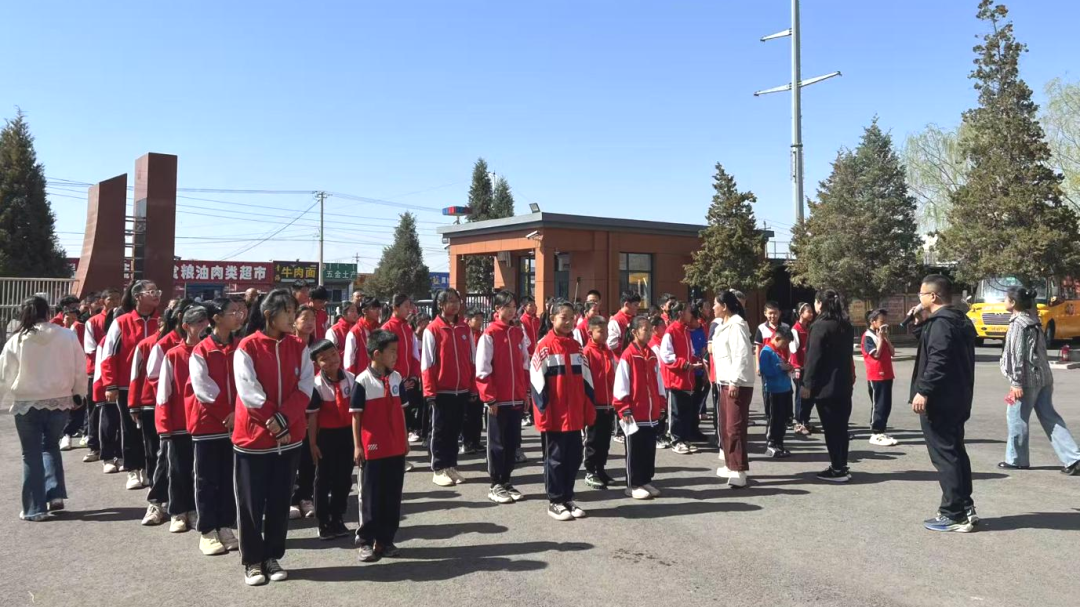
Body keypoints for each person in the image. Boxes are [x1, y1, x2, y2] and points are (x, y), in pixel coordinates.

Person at [233, 288, 314, 586]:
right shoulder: (248, 346)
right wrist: (272, 419)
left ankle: (272, 555)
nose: (293, 318)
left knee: (280, 501)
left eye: (294, 312)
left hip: (289, 437)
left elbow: (306, 386)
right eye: (288, 313)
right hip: (254, 439)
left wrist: (284, 419)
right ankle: (252, 561)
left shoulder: (299, 347)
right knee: (251, 503)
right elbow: (248, 391)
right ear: (269, 315)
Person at [0, 296, 87, 521]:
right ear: (48, 312)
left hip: (27, 402)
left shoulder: (18, 339)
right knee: (50, 447)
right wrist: (79, 392)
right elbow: (79, 367)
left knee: (30, 454)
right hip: (60, 399)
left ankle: (34, 508)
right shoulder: (67, 335)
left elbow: (5, 374)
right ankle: (55, 493)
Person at [909, 274, 978, 532]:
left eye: (921, 294)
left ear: (933, 296)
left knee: (945, 455)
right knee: (955, 451)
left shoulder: (941, 324)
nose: (919, 298)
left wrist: (923, 390)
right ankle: (964, 505)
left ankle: (953, 513)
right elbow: (933, 346)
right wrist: (919, 322)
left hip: (939, 399)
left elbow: (938, 359)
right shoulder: (958, 320)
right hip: (958, 397)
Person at [998, 286, 1080, 474]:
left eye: (1005, 298)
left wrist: (1016, 382)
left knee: (1016, 418)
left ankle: (1017, 459)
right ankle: (1074, 457)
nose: (1004, 301)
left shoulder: (1018, 324)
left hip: (1026, 380)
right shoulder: (1033, 320)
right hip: (1043, 377)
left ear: (1012, 303)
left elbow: (1017, 355)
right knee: (1050, 417)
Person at [531, 300, 596, 521]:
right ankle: (555, 500)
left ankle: (568, 497)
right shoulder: (544, 347)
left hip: (575, 415)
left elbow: (587, 383)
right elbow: (537, 384)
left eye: (572, 317)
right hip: (555, 416)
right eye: (563, 317)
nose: (568, 322)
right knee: (555, 459)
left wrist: (588, 410)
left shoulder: (577, 347)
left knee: (573, 457)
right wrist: (543, 414)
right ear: (552, 319)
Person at [188, 299, 242, 554]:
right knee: (206, 479)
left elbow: (248, 381)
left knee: (229, 478)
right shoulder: (201, 350)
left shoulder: (241, 347)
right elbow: (203, 389)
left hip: (237, 424)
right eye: (232, 312)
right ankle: (207, 531)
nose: (238, 316)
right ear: (216, 318)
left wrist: (238, 413)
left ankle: (225, 526)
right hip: (208, 424)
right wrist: (227, 413)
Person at [351, 329, 408, 562]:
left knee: (392, 496)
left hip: (395, 448)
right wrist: (357, 446)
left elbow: (402, 413)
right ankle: (365, 540)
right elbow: (356, 416)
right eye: (392, 352)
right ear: (377, 353)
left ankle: (386, 540)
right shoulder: (362, 381)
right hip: (373, 449)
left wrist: (404, 439)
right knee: (370, 497)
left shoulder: (396, 379)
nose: (396, 356)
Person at [133, 299, 190, 522]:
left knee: (186, 464)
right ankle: (156, 502)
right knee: (166, 460)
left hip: (194, 415)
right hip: (171, 412)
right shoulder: (164, 345)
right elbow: (154, 378)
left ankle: (185, 506)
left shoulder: (203, 344)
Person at [100, 280, 162, 482]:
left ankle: (151, 470)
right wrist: (110, 384)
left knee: (153, 431)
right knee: (130, 428)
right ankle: (133, 470)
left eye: (157, 291)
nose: (156, 295)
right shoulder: (122, 322)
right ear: (138, 297)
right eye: (151, 291)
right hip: (127, 385)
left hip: (155, 386)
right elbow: (108, 354)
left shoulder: (161, 322)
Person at [157, 305, 210, 534]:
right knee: (178, 470)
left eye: (205, 323)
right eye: (198, 323)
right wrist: (164, 425)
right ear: (186, 326)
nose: (203, 327)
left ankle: (194, 509)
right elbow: (163, 392)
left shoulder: (210, 352)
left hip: (205, 424)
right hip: (179, 424)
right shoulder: (173, 355)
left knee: (201, 472)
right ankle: (178, 512)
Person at [476, 291, 530, 505]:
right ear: (497, 310)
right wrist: (490, 398)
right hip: (498, 401)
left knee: (511, 443)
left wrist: (525, 392)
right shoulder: (489, 334)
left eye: (513, 306)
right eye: (506, 306)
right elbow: (482, 370)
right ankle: (495, 483)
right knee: (496, 444)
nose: (511, 310)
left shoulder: (517, 333)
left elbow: (525, 365)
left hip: (516, 399)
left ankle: (507, 481)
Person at [421, 288, 475, 487]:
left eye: (457, 301)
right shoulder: (432, 330)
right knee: (440, 430)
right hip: (441, 390)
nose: (454, 304)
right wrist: (429, 391)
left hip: (460, 389)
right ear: (441, 305)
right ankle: (438, 468)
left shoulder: (464, 328)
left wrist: (472, 387)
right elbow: (427, 363)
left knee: (455, 430)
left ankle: (451, 465)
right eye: (450, 301)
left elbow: (472, 359)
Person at [801, 290, 855, 483]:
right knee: (841, 427)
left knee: (832, 429)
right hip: (844, 383)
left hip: (826, 386)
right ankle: (841, 464)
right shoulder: (845, 325)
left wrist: (807, 384)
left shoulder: (820, 326)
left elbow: (813, 358)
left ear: (820, 304)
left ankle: (838, 468)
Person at [305, 340, 356, 541]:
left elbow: (357, 412)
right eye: (324, 359)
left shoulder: (351, 379)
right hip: (325, 436)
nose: (331, 360)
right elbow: (313, 417)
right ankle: (323, 520)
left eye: (333, 355)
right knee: (323, 479)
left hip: (346, 435)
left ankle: (338, 516)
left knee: (343, 479)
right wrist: (312, 444)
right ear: (317, 364)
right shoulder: (316, 385)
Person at [614, 316, 666, 499]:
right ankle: (633, 484)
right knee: (634, 449)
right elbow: (621, 384)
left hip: (650, 413)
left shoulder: (651, 354)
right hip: (634, 413)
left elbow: (658, 381)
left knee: (648, 449)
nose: (650, 332)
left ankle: (645, 480)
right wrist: (624, 408)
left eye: (650, 329)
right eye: (646, 329)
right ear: (635, 332)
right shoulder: (628, 355)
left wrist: (661, 403)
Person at [712, 291, 754, 487]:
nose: (713, 308)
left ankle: (739, 469)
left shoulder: (737, 325)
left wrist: (735, 381)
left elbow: (741, 354)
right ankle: (730, 464)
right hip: (724, 382)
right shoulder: (724, 325)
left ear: (725, 306)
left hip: (735, 383)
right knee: (725, 426)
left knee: (734, 427)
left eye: (715, 304)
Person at [82, 287, 121, 462]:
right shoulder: (93, 321)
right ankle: (94, 446)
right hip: (95, 372)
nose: (114, 302)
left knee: (115, 415)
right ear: (102, 301)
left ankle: (116, 450)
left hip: (117, 374)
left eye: (117, 298)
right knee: (95, 412)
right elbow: (90, 349)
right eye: (110, 299)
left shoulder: (121, 319)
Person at [659, 301, 702, 455]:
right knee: (676, 412)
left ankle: (684, 438)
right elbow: (667, 356)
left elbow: (689, 350)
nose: (692, 314)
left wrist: (695, 359)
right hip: (675, 379)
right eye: (689, 311)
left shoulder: (685, 331)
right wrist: (685, 365)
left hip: (686, 379)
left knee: (685, 411)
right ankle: (676, 440)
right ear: (681, 313)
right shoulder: (671, 331)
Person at [582, 315, 618, 490]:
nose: (604, 335)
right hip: (594, 404)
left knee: (605, 440)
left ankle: (601, 468)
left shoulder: (608, 351)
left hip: (608, 404)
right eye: (600, 332)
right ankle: (590, 471)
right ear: (590, 333)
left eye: (606, 331)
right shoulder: (587, 352)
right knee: (593, 440)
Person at [290, 304, 318, 520]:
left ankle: (306, 496)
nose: (309, 322)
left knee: (310, 453)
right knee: (292, 454)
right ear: (294, 321)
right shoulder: (288, 346)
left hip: (315, 406)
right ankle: (291, 498)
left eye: (312, 319)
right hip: (293, 405)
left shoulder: (318, 347)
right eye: (304, 318)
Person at [383, 294, 422, 445]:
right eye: (405, 306)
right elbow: (384, 359)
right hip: (393, 382)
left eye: (409, 306)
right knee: (392, 419)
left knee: (404, 420)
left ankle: (401, 454)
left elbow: (414, 355)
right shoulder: (387, 328)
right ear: (395, 308)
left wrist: (413, 376)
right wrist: (397, 380)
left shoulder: (407, 328)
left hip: (408, 381)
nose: (409, 309)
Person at [862, 309, 898, 447]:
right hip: (876, 375)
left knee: (886, 404)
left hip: (887, 373)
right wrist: (881, 339)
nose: (884, 324)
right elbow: (875, 354)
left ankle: (882, 430)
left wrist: (886, 338)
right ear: (873, 322)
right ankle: (876, 432)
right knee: (879, 404)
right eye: (882, 322)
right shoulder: (868, 336)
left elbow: (892, 352)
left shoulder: (882, 335)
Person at [57, 296, 87, 451]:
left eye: (74, 315)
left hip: (76, 370)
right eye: (68, 316)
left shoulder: (79, 327)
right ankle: (65, 434)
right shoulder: (56, 330)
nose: (71, 319)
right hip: (61, 373)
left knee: (78, 404)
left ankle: (69, 433)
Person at [760, 326, 795, 458]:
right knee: (774, 419)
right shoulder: (766, 352)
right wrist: (780, 367)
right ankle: (771, 444)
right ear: (777, 338)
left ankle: (780, 443)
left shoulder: (779, 352)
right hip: (773, 391)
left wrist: (788, 367)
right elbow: (765, 371)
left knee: (782, 419)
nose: (785, 346)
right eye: (785, 343)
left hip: (784, 389)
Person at [461, 308, 486, 452]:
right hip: (469, 380)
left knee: (477, 414)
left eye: (481, 319)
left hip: (479, 381)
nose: (480, 322)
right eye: (477, 319)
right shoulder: (466, 335)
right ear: (468, 320)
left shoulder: (482, 336)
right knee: (468, 415)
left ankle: (476, 442)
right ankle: (467, 442)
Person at [792, 303, 815, 436]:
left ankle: (806, 421)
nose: (811, 314)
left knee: (810, 396)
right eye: (809, 312)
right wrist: (796, 368)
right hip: (800, 367)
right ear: (801, 314)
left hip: (808, 367)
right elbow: (793, 350)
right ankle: (799, 423)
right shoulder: (795, 329)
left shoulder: (809, 328)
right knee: (801, 396)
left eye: (812, 311)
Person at [344, 296, 381, 375]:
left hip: (378, 376)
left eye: (379, 309)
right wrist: (352, 381)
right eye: (374, 309)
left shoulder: (379, 329)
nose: (378, 312)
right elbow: (349, 360)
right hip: (361, 377)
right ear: (364, 311)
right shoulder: (355, 332)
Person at [607, 292, 641, 357]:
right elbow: (611, 344)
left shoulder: (635, 318)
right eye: (635, 305)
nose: (638, 308)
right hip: (621, 359)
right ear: (627, 304)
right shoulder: (616, 320)